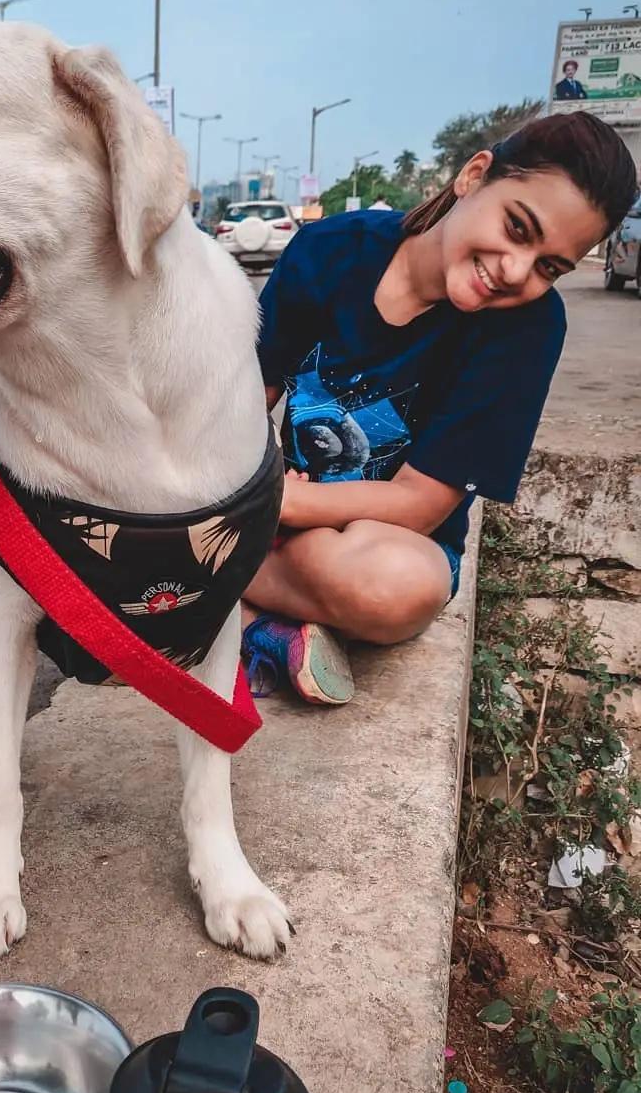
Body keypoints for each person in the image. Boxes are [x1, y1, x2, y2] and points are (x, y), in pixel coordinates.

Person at [242, 111, 637, 704]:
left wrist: (278, 503)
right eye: (518, 228)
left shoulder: (526, 329)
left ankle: (219, 603)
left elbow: (419, 504)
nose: (514, 271)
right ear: (474, 176)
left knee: (397, 589)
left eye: (549, 267)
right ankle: (269, 629)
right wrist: (242, 485)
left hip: (385, 541)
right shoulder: (329, 250)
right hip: (275, 517)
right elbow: (249, 397)